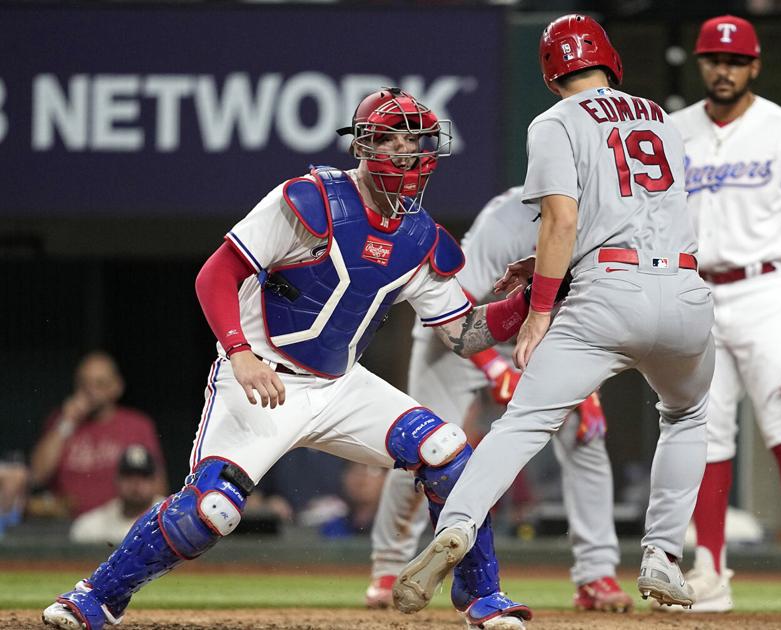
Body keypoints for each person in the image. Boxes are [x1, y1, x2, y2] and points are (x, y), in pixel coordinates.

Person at [42, 88, 540, 630]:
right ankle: (95, 597)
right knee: (210, 510)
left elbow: (464, 333)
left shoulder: (421, 236)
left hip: (340, 386)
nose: (405, 153)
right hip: (262, 379)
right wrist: (238, 353)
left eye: (414, 142)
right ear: (364, 147)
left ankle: (481, 594)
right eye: (391, 140)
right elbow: (217, 274)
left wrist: (534, 298)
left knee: (448, 452)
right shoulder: (310, 200)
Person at [393, 14, 715, 616]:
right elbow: (635, 212)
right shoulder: (660, 116)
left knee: (523, 424)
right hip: (685, 288)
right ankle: (663, 556)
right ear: (610, 60)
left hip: (607, 295)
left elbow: (563, 220)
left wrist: (540, 310)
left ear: (550, 74)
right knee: (687, 414)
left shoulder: (556, 120)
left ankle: (457, 524)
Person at [365, 187, 631, 613]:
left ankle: (596, 574)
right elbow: (455, 313)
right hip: (463, 331)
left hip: (545, 335)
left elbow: (595, 309)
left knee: (586, 435)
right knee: (423, 444)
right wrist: (494, 369)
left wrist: (589, 381)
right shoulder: (508, 218)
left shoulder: (608, 221)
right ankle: (389, 565)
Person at [667, 14, 781, 614]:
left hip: (767, 290)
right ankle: (710, 570)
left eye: (736, 61)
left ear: (755, 65)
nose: (725, 70)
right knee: (706, 434)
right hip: (697, 292)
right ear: (701, 63)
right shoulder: (673, 131)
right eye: (715, 60)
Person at [30, 352, 166, 518]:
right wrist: (66, 422)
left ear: (117, 386)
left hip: (120, 522)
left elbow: (158, 487)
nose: (91, 391)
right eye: (84, 384)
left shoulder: (136, 425)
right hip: (69, 524)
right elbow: (37, 475)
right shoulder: (60, 422)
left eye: (99, 384)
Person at [69, 445, 165, 545]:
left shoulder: (170, 517)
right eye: (128, 475)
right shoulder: (90, 527)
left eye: (144, 476)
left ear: (156, 481)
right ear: (116, 480)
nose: (136, 483)